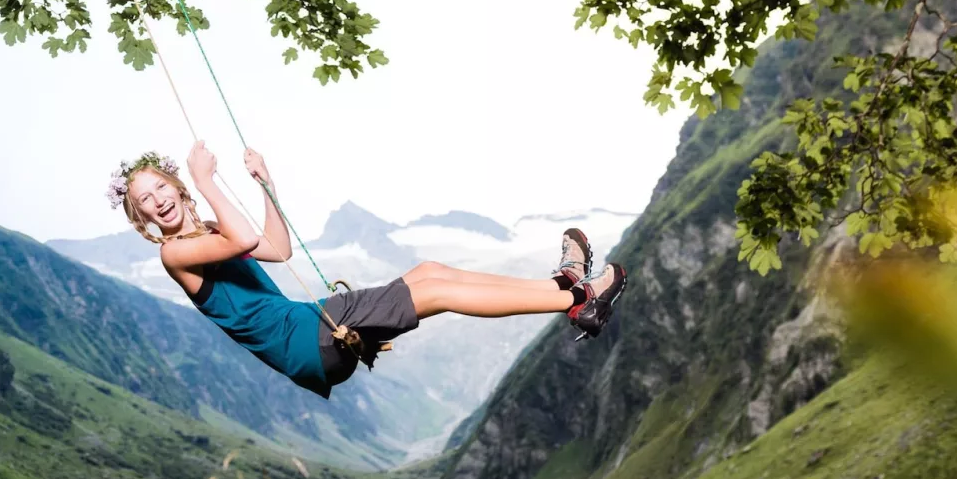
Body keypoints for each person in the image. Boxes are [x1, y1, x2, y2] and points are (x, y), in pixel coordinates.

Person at [108, 142, 627, 398]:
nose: (157, 201)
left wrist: (266, 186)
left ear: (173, 191)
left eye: (161, 189)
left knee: (431, 273)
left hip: (309, 331)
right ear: (142, 217)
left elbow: (277, 248)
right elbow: (244, 238)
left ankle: (565, 287)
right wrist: (207, 180)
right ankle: (576, 299)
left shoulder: (203, 239)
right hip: (308, 337)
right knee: (435, 291)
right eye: (144, 200)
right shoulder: (175, 254)